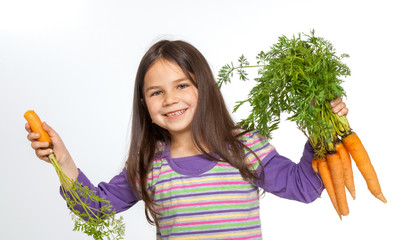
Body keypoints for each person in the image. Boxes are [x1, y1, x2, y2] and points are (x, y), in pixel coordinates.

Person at [26, 40, 348, 240]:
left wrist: (321, 126)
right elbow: (94, 207)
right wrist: (63, 159)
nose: (169, 99)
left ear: (203, 88)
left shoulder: (245, 148)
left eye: (182, 86)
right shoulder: (148, 163)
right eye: (156, 92)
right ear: (144, 104)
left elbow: (304, 187)